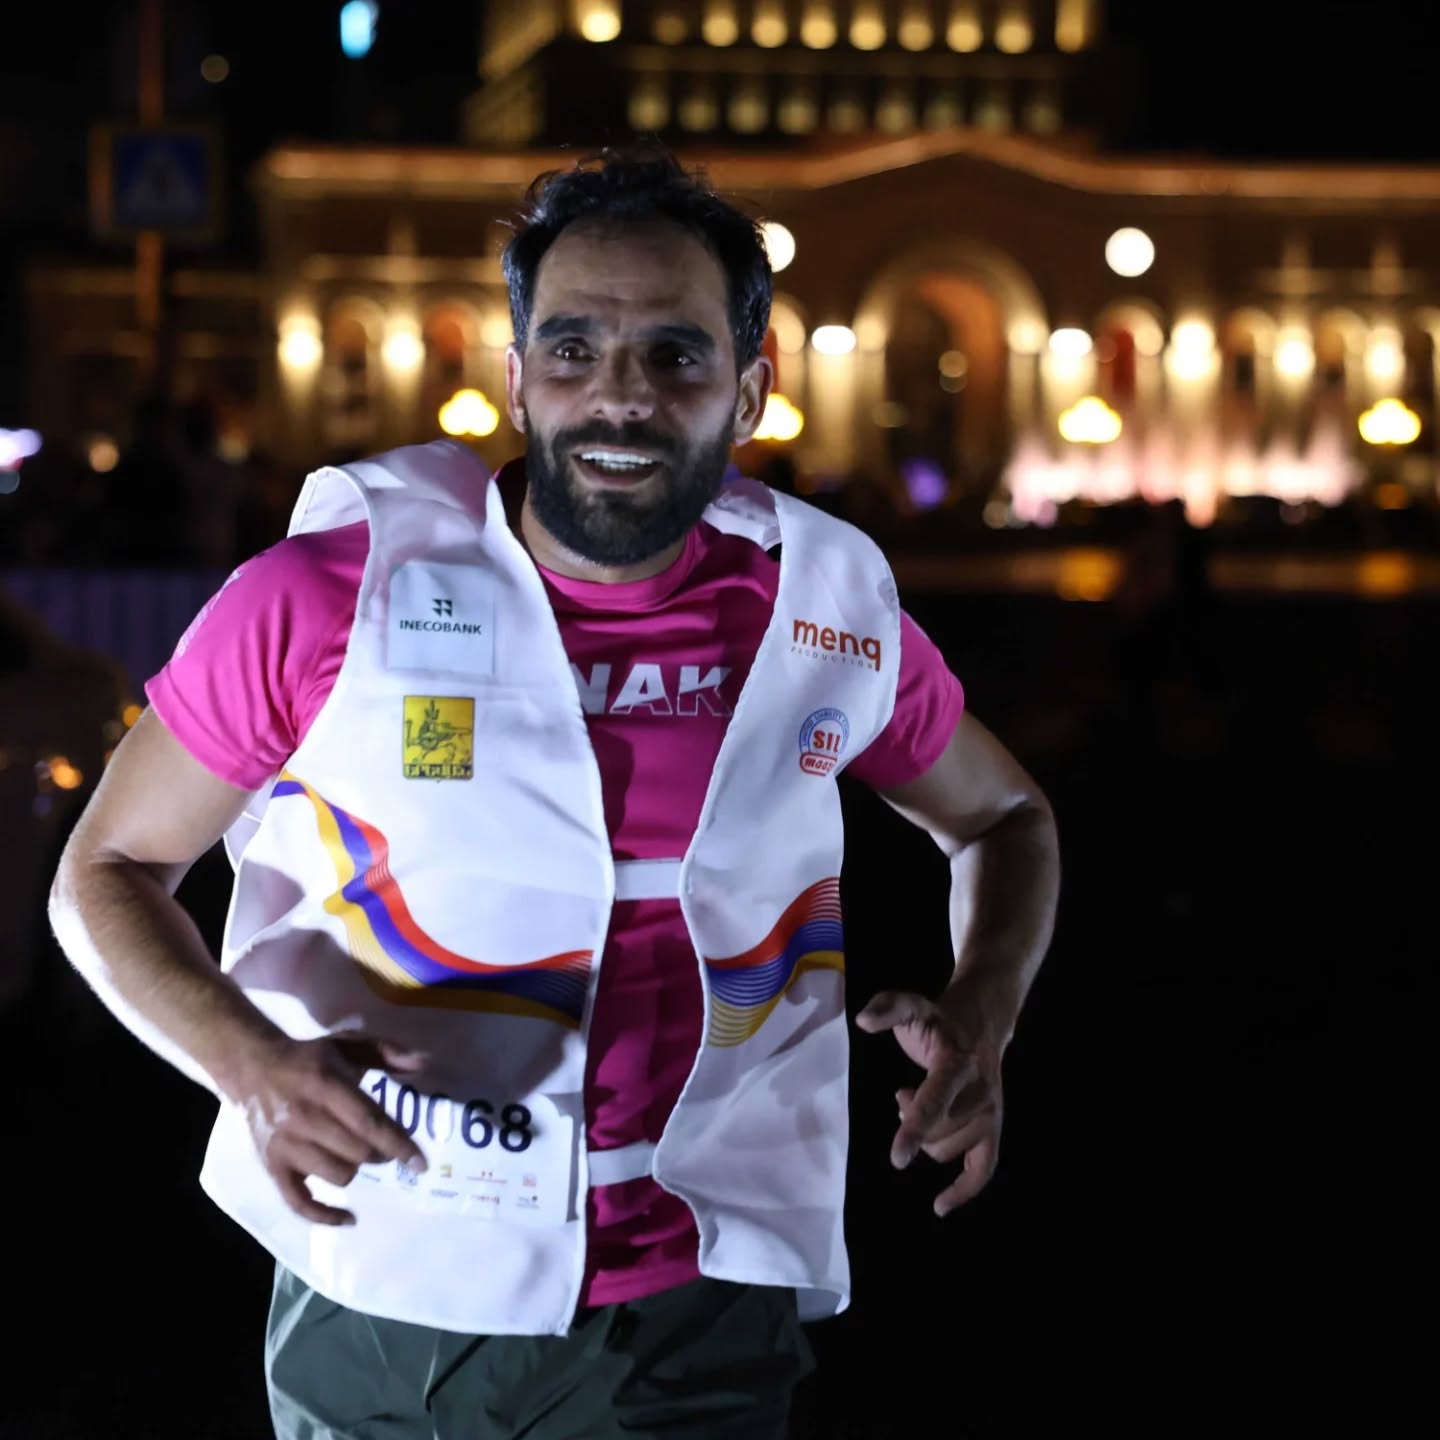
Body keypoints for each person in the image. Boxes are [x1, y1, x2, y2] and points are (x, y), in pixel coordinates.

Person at [50, 149, 1059, 1439]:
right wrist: (247, 1067)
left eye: (676, 355)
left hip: (697, 1309)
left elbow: (1007, 817)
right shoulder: (326, 593)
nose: (619, 395)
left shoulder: (824, 607)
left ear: (750, 391)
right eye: (574, 349)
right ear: (518, 376)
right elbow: (104, 871)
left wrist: (985, 1010)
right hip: (383, 1279)